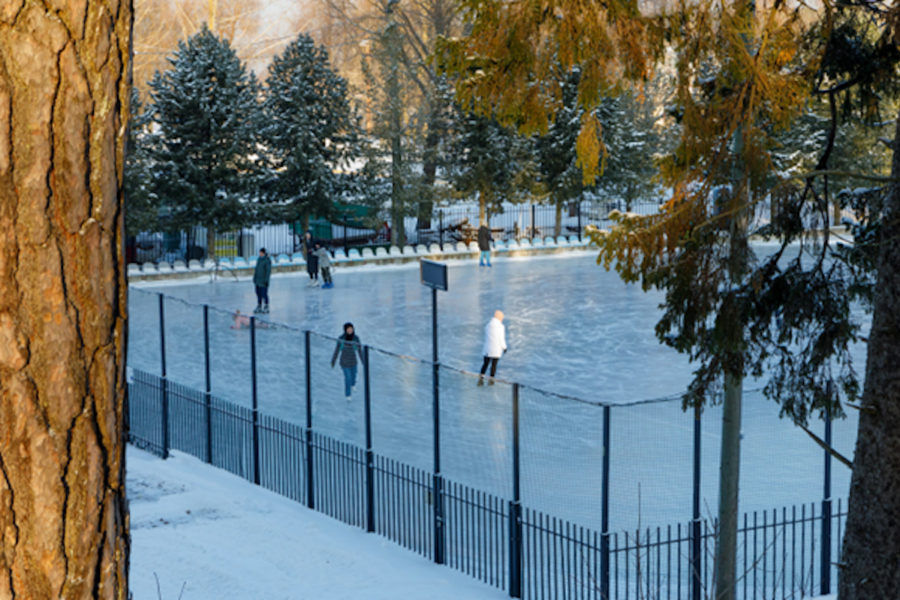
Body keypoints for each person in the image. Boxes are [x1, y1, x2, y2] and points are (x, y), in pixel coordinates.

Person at [331, 322, 365, 398]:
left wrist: (363, 361)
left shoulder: (356, 339)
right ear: (345, 330)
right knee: (348, 378)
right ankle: (348, 394)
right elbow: (337, 350)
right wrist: (333, 361)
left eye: (351, 329)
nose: (350, 330)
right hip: (344, 362)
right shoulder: (341, 339)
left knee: (353, 376)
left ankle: (353, 384)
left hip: (353, 361)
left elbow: (360, 350)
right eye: (348, 329)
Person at [479, 310, 507, 384]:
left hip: (487, 348)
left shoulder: (488, 325)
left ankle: (480, 378)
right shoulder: (501, 327)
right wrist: (504, 347)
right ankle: (491, 380)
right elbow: (501, 338)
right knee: (493, 365)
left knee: (485, 364)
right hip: (496, 349)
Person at [253, 248, 272, 313]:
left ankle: (266, 305)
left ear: (264, 253)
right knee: (258, 294)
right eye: (259, 253)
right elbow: (256, 269)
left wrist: (266, 280)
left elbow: (268, 271)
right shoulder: (259, 259)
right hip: (258, 280)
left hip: (263, 281)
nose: (260, 254)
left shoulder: (267, 260)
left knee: (264, 294)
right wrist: (254, 278)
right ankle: (259, 305)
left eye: (261, 253)